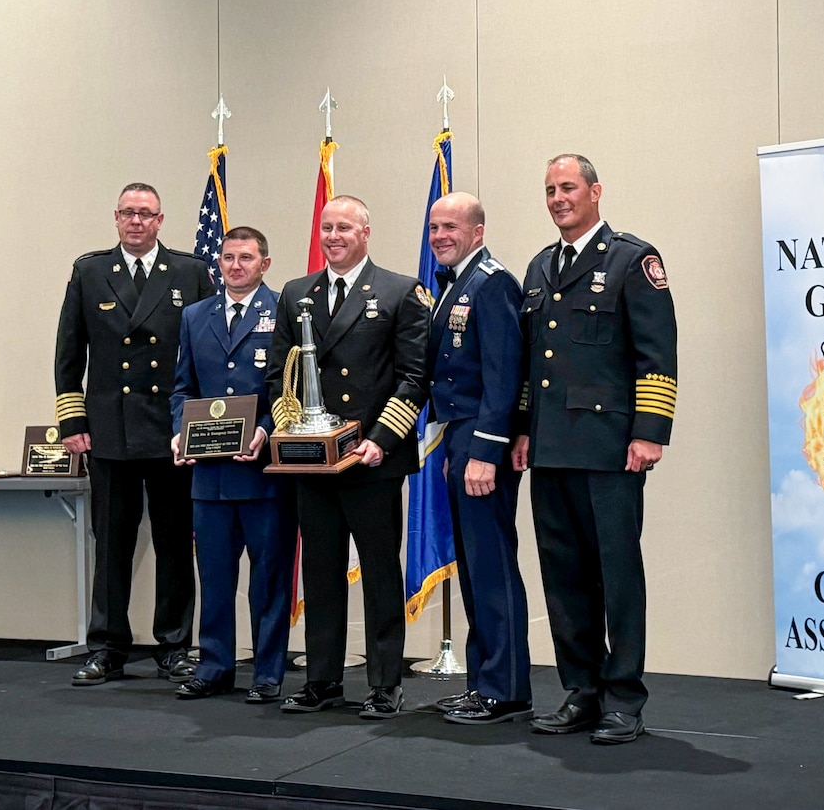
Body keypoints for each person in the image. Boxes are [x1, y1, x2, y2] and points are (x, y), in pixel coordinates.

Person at [511, 155, 678, 745]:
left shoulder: (633, 260)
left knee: (617, 574)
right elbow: (534, 363)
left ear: (595, 192)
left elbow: (655, 354)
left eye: (568, 188)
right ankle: (581, 690)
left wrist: (649, 432)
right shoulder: (539, 267)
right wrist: (526, 428)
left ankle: (623, 698)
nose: (558, 198)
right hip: (552, 450)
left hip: (610, 449)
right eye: (550, 189)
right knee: (564, 576)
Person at [266, 195, 430, 719]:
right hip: (313, 462)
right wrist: (294, 431)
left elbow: (413, 377)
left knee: (381, 571)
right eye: (326, 227)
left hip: (371, 458)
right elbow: (279, 375)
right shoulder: (296, 293)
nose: (333, 236)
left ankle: (385, 683)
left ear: (366, 232)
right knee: (320, 570)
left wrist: (382, 438)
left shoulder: (400, 291)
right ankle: (322, 680)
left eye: (344, 227)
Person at [55, 182, 214, 686]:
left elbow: (207, 351)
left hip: (171, 431)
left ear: (161, 220)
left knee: (173, 543)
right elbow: (69, 351)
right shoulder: (90, 270)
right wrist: (73, 421)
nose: (137, 222)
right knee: (112, 545)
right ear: (116, 218)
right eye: (128, 213)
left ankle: (174, 646)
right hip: (110, 431)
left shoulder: (190, 272)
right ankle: (106, 648)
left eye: (146, 214)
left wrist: (204, 426)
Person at [170, 226, 295, 704]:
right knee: (215, 580)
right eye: (227, 257)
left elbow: (289, 386)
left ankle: (267, 672)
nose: (235, 265)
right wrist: (180, 428)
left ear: (264, 263)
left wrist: (265, 428)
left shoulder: (282, 308)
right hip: (210, 477)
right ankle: (215, 665)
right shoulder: (195, 315)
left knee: (269, 581)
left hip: (262, 473)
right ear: (217, 264)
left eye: (246, 257)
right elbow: (184, 388)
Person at [424, 192, 532, 725]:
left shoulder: (490, 284)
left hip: (482, 442)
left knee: (491, 565)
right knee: (473, 566)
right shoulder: (456, 283)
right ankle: (485, 681)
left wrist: (485, 452)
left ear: (478, 231)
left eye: (451, 226)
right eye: (434, 226)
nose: (440, 235)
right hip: (462, 439)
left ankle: (505, 687)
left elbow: (504, 375)